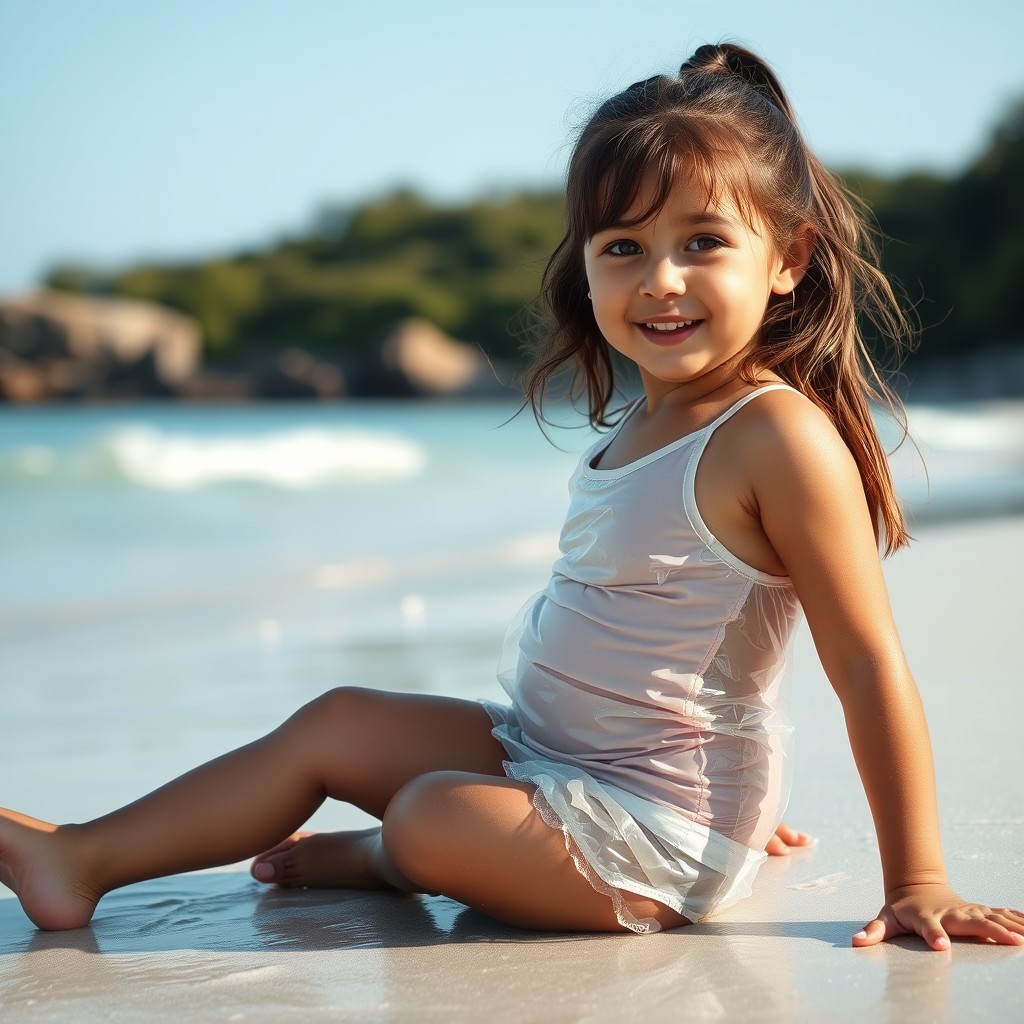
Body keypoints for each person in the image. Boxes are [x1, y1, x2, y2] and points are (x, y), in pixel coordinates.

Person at [1, 43, 1021, 950]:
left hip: (656, 827)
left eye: (703, 242)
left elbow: (864, 660)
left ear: (787, 259)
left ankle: (380, 856)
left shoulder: (774, 434)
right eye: (622, 247)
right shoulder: (643, 419)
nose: (660, 279)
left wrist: (916, 880)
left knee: (429, 814)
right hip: (549, 756)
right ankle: (86, 855)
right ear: (583, 268)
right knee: (338, 718)